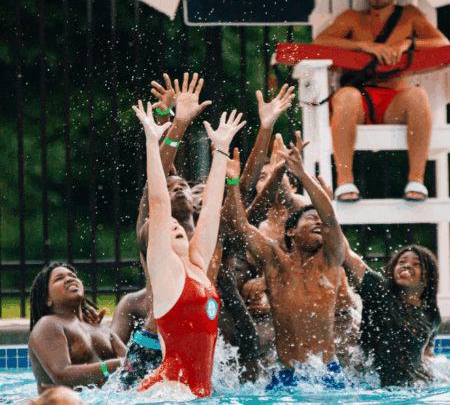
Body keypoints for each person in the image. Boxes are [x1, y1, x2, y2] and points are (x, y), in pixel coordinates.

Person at [133, 100, 245, 397]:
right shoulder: (164, 270)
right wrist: (151, 140)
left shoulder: (197, 265)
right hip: (168, 393)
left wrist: (221, 150)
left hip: (198, 393)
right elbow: (158, 202)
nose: (174, 225)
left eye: (176, 224)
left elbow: (210, 209)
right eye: (164, 227)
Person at [313, 0, 450, 202]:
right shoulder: (353, 18)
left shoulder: (410, 15)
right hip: (357, 102)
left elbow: (443, 45)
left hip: (393, 102)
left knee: (418, 95)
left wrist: (410, 42)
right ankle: (344, 182)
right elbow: (319, 44)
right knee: (345, 95)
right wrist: (364, 45)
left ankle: (416, 180)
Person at [227, 132, 349, 389]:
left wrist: (302, 174)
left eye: (320, 219)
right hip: (286, 376)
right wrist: (233, 183)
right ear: (291, 231)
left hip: (328, 373)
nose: (318, 221)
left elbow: (329, 218)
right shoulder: (274, 262)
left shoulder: (331, 260)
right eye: (310, 218)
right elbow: (240, 227)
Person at [344, 244, 441, 386]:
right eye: (401, 262)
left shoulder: (431, 313)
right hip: (372, 387)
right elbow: (345, 254)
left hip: (415, 387)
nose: (406, 266)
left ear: (428, 278)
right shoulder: (380, 293)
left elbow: (427, 350)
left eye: (416, 264)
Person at [28, 263, 126, 394]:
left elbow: (132, 361)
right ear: (47, 298)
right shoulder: (48, 325)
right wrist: (109, 366)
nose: (70, 279)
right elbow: (61, 375)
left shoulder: (103, 330)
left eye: (73, 276)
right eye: (59, 279)